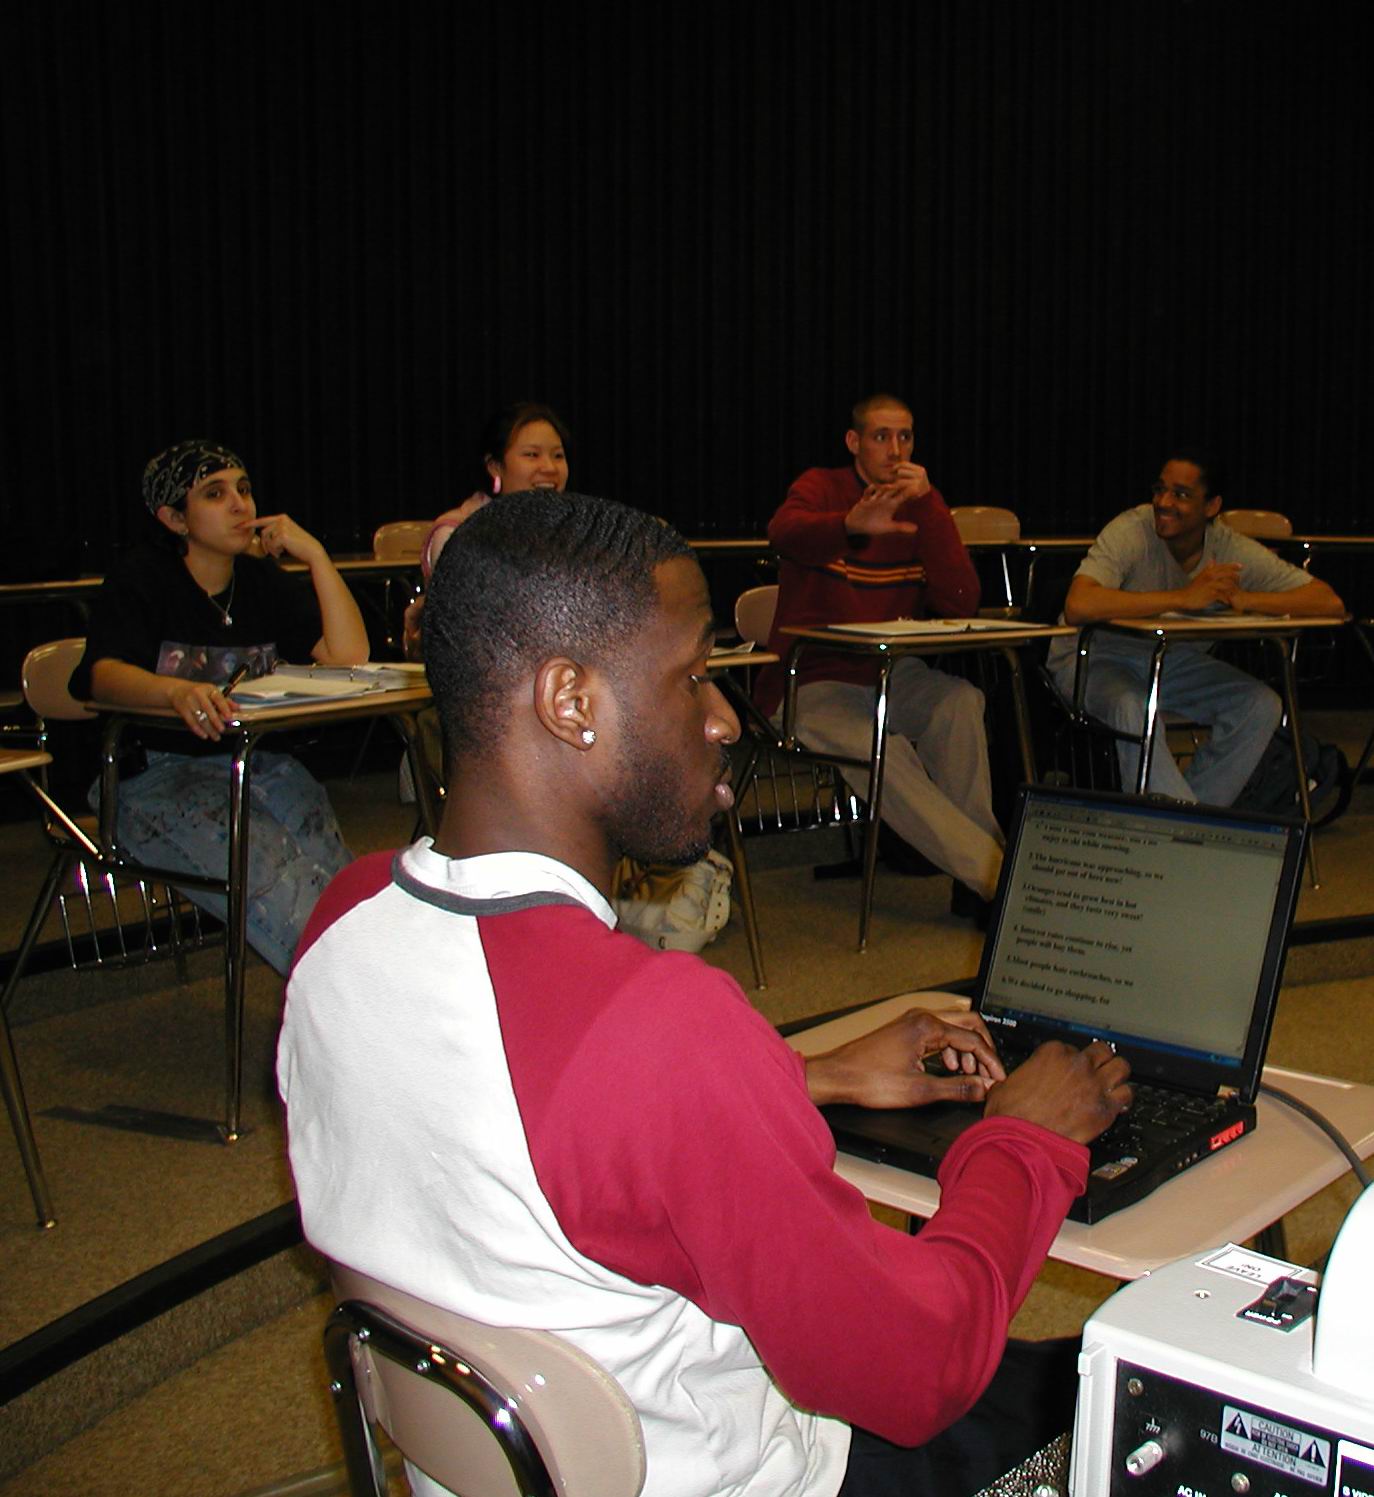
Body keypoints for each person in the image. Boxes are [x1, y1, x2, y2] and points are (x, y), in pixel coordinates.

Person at [279, 489, 1133, 1497]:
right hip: (769, 1475)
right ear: (570, 700)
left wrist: (803, 1076)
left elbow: (524, 1118)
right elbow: (919, 1371)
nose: (725, 717)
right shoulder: (656, 1029)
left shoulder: (345, 919)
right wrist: (1024, 1139)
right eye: (692, 677)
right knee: (1139, 1395)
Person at [71, 439, 369, 975]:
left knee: (333, 871)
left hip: (256, 763)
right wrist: (173, 692)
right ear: (174, 518)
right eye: (214, 493)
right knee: (271, 873)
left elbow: (348, 657)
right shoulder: (142, 577)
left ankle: (367, 984)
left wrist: (316, 557)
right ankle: (350, 991)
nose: (239, 505)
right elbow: (101, 675)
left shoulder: (260, 582)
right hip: (153, 776)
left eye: (244, 489)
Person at [756, 393, 1003, 910]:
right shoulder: (821, 487)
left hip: (889, 671)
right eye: (881, 436)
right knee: (882, 752)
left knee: (960, 702)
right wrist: (849, 526)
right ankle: (996, 878)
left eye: (905, 437)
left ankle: (978, 880)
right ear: (854, 442)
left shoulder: (921, 503)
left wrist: (931, 507)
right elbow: (783, 532)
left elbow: (961, 600)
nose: (895, 450)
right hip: (809, 679)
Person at [1046, 450, 1344, 805]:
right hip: (1090, 659)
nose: (1164, 502)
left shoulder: (1228, 548)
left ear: (1212, 506)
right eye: (1160, 490)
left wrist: (1246, 599)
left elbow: (1329, 603)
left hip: (1167, 662)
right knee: (1134, 706)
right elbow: (1079, 605)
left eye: (1181, 495)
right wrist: (1182, 598)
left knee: (1260, 704)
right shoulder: (1132, 530)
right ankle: (1173, 822)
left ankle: (1193, 817)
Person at [401, 401, 571, 660]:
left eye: (558, 455)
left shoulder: (569, 533)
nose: (549, 467)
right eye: (532, 455)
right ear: (495, 466)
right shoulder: (457, 533)